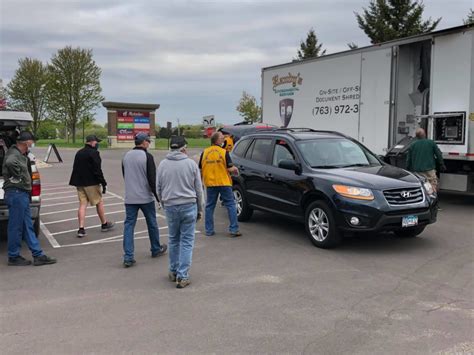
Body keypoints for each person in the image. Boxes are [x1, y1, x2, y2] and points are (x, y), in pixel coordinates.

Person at [2, 131, 56, 266]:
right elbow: (9, 162)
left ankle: (38, 255)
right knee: (15, 227)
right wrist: (19, 175)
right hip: (16, 193)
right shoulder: (14, 155)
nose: (32, 143)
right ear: (26, 142)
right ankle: (13, 256)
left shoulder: (19, 153)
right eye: (32, 141)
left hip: (20, 194)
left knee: (27, 226)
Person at [157, 136, 203, 288]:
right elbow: (198, 188)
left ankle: (173, 270)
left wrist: (163, 202)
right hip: (188, 204)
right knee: (187, 241)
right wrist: (200, 207)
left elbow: (159, 187)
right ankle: (183, 275)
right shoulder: (191, 164)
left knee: (173, 239)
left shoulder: (163, 164)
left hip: (170, 205)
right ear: (184, 148)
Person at [121, 132, 167, 268]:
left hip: (130, 197)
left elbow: (125, 175)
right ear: (144, 142)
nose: (149, 143)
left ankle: (128, 257)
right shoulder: (147, 156)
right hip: (145, 197)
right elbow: (152, 179)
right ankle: (155, 248)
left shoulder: (126, 156)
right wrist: (158, 197)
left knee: (129, 225)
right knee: (152, 223)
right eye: (148, 141)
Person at [69, 134, 115, 238]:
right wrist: (103, 182)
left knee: (82, 204)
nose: (97, 144)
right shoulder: (94, 153)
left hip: (79, 182)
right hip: (91, 183)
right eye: (96, 142)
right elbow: (97, 170)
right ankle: (104, 224)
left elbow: (75, 168)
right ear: (91, 142)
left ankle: (81, 228)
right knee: (99, 202)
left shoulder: (79, 152)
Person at [199, 131, 241, 237]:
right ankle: (234, 229)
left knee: (209, 207)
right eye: (222, 138)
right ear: (217, 140)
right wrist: (235, 169)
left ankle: (209, 230)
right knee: (231, 205)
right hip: (224, 182)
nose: (223, 139)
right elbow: (230, 168)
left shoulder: (204, 152)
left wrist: (200, 181)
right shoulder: (223, 152)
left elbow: (200, 169)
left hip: (210, 183)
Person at [407, 128, 446, 192]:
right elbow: (438, 154)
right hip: (429, 170)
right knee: (432, 186)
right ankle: (431, 198)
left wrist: (408, 168)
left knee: (421, 187)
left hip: (417, 171)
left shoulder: (412, 145)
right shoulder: (431, 143)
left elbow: (408, 159)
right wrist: (442, 164)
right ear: (424, 134)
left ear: (416, 136)